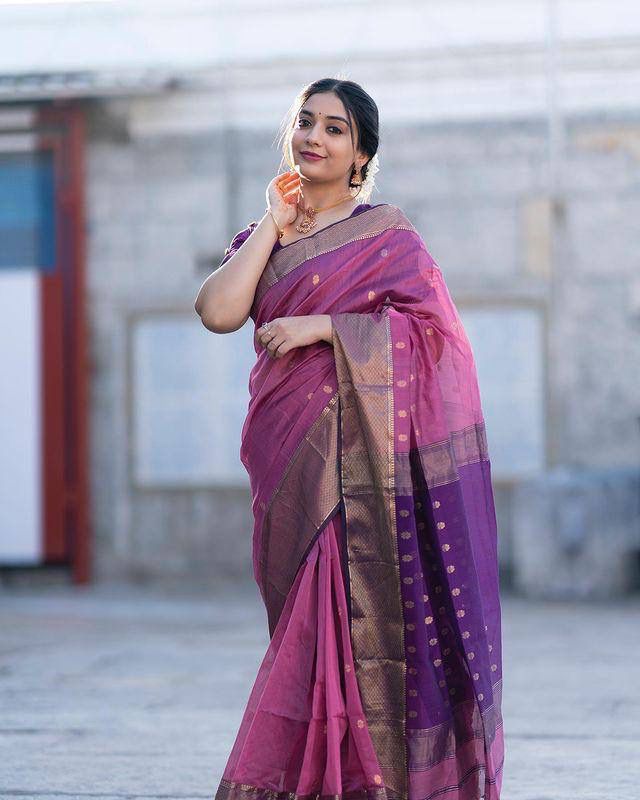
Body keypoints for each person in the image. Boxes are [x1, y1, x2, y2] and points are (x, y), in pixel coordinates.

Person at [194, 77, 505, 800]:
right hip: (283, 455)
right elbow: (217, 311)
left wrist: (327, 328)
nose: (314, 137)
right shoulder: (265, 237)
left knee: (336, 615)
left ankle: (349, 781)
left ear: (361, 153)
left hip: (357, 466)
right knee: (299, 629)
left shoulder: (388, 237)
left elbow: (438, 340)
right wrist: (272, 223)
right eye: (305, 121)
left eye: (335, 129)